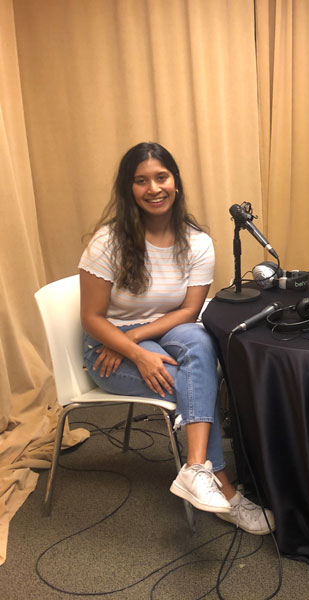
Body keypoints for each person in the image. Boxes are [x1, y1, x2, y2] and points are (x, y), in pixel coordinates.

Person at [79, 142, 275, 535]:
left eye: (161, 177)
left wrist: (137, 339)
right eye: (141, 180)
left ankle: (196, 467)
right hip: (106, 348)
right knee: (192, 381)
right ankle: (222, 487)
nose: (153, 188)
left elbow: (187, 311)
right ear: (128, 189)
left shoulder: (197, 242)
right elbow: (91, 318)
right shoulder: (107, 242)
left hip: (159, 332)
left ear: (176, 183)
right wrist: (133, 350)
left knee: (199, 340)